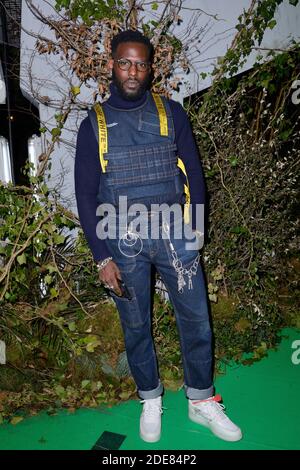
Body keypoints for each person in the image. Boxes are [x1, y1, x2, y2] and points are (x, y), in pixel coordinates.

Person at [75, 29, 242, 444]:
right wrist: (100, 257)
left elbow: (195, 174)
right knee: (135, 325)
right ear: (112, 64)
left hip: (175, 234)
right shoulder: (93, 124)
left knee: (198, 321)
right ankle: (150, 397)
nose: (133, 71)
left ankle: (201, 400)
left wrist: (197, 227)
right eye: (125, 62)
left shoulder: (172, 113)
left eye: (141, 64)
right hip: (121, 239)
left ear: (151, 68)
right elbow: (84, 194)